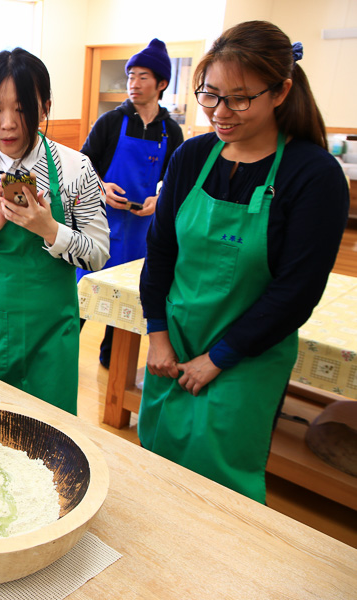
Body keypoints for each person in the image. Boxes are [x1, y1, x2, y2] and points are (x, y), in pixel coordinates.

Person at [139, 21, 349, 503]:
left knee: (220, 485)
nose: (221, 112)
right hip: (174, 344)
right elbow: (162, 253)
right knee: (157, 462)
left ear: (281, 92)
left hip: (246, 357)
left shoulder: (313, 175)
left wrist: (218, 358)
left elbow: (296, 292)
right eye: (209, 95)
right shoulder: (192, 157)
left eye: (239, 98)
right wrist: (157, 334)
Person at [0, 48, 109, 414]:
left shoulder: (74, 169)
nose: (7, 123)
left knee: (47, 445)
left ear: (44, 108)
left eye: (21, 108)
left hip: (50, 343)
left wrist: (48, 228)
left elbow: (97, 255)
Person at [78, 38, 184, 368]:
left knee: (130, 296)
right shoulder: (111, 122)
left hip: (142, 230)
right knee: (82, 294)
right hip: (101, 224)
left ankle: (113, 360)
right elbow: (83, 166)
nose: (133, 84)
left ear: (161, 84)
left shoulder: (172, 132)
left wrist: (160, 197)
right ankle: (60, 350)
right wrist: (102, 187)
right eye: (130, 76)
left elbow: (174, 181)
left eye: (142, 77)